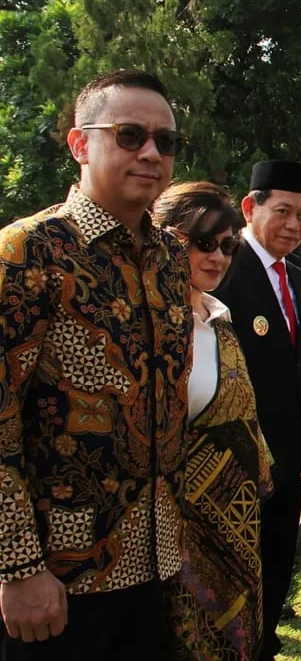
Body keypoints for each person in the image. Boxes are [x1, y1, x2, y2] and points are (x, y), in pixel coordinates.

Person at [0, 70, 190, 658]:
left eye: (166, 141)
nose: (151, 153)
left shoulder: (172, 256)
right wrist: (18, 566)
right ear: (81, 145)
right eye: (130, 135)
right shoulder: (26, 251)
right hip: (58, 579)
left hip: (157, 566)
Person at [154, 182, 273, 660]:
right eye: (202, 242)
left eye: (227, 246)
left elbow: (242, 411)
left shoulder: (218, 317)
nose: (218, 257)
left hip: (237, 524)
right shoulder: (152, 322)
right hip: (175, 528)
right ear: (164, 237)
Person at [213, 160, 301, 661]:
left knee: (276, 565)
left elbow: (295, 369)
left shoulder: (296, 278)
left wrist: (300, 443)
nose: (294, 225)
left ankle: (264, 644)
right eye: (282, 212)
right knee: (236, 576)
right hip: (232, 462)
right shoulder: (223, 269)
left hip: (286, 456)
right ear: (250, 207)